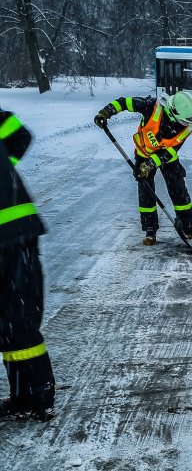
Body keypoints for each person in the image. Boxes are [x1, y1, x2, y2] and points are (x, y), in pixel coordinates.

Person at [94, 91, 192, 246]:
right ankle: (150, 231)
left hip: (167, 156)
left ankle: (189, 228)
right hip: (143, 152)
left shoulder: (187, 127)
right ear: (174, 113)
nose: (186, 125)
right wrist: (105, 112)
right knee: (146, 191)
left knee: (178, 189)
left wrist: (151, 165)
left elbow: (170, 151)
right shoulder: (150, 106)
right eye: (184, 122)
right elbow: (123, 102)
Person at [0, 108, 56, 421]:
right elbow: (19, 134)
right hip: (20, 231)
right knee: (13, 320)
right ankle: (27, 397)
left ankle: (37, 396)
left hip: (13, 235)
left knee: (16, 320)